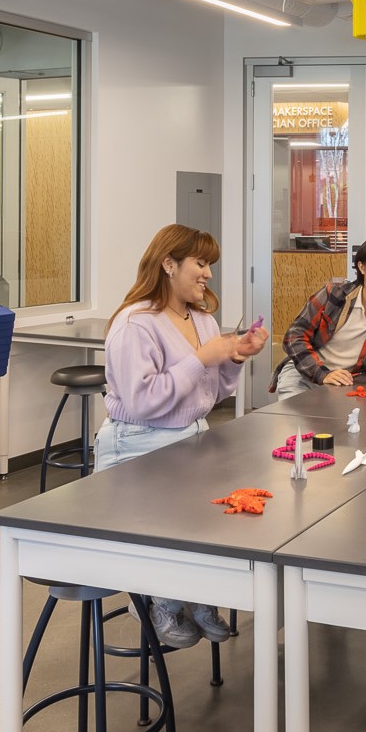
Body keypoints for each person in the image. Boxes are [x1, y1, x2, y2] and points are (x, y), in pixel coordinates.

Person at [96, 224, 269, 648]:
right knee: (170, 525)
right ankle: (162, 603)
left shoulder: (203, 320)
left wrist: (234, 357)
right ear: (169, 264)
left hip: (190, 436)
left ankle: (198, 596)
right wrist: (200, 359)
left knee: (212, 518)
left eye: (210, 264)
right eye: (201, 263)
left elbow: (215, 391)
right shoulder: (136, 323)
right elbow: (142, 403)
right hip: (138, 441)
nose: (208, 273)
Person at [271, 234, 366, 396]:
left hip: (347, 381)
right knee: (295, 420)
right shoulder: (334, 294)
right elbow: (293, 337)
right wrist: (323, 374)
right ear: (362, 267)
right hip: (304, 372)